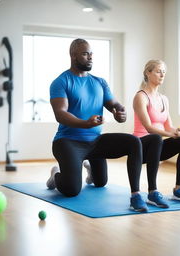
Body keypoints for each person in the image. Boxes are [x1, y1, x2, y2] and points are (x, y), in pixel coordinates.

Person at [46, 38, 148, 212]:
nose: (90, 57)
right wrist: (85, 123)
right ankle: (56, 175)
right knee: (72, 190)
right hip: (67, 142)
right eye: (85, 54)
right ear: (73, 55)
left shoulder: (99, 82)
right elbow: (60, 114)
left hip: (95, 141)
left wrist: (120, 111)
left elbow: (114, 104)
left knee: (129, 147)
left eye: (91, 54)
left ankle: (135, 194)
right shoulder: (61, 82)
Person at [132, 59, 180, 208]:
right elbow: (148, 127)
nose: (162, 75)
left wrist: (177, 131)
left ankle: (179, 189)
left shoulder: (164, 99)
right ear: (148, 73)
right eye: (158, 71)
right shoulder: (141, 97)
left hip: (157, 145)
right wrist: (170, 134)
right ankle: (152, 192)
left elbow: (168, 125)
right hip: (140, 147)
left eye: (164, 72)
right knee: (155, 138)